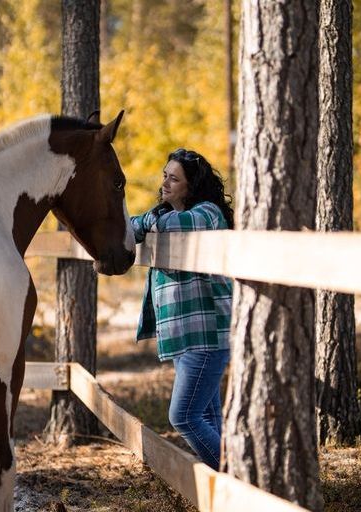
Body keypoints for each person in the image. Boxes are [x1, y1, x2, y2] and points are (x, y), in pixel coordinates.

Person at [131, 148, 233, 470]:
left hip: (208, 334)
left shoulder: (209, 213)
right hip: (184, 336)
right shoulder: (163, 217)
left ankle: (236, 483)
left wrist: (150, 220)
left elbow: (175, 223)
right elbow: (131, 225)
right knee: (208, 417)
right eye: (165, 175)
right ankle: (233, 493)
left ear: (192, 186)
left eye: (174, 179)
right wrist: (147, 220)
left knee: (183, 415)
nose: (165, 183)